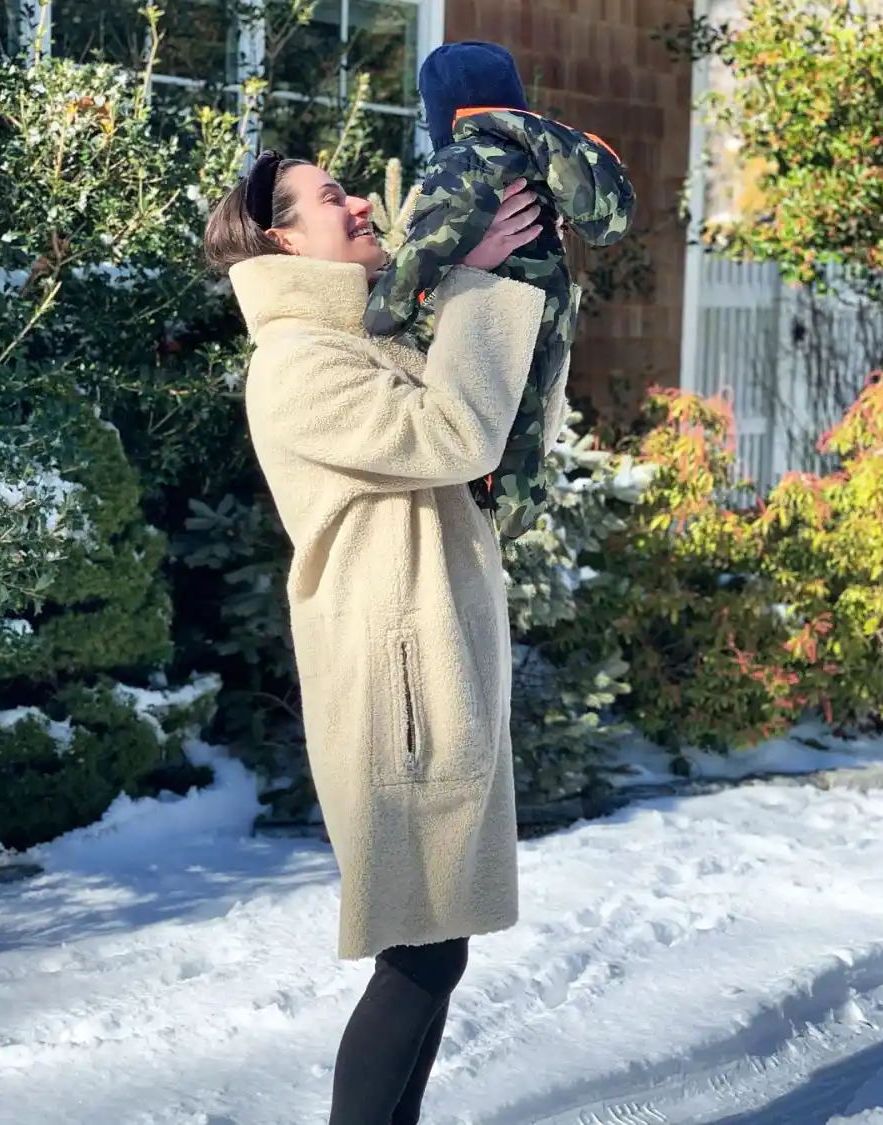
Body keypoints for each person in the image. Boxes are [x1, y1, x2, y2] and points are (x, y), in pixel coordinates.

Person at [203, 151, 569, 1125]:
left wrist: (473, 277)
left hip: (425, 674)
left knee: (433, 948)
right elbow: (457, 432)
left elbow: (467, 414)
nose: (360, 200)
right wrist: (471, 280)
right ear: (283, 238)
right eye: (332, 198)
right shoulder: (296, 362)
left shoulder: (353, 341)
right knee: (417, 950)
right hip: (395, 692)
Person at [365, 41, 636, 540]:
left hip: (495, 312)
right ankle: (515, 511)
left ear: (439, 113)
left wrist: (377, 309)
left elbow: (421, 261)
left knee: (498, 420)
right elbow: (605, 225)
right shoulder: (547, 155)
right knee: (529, 410)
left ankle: (500, 515)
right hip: (547, 308)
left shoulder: (464, 163)